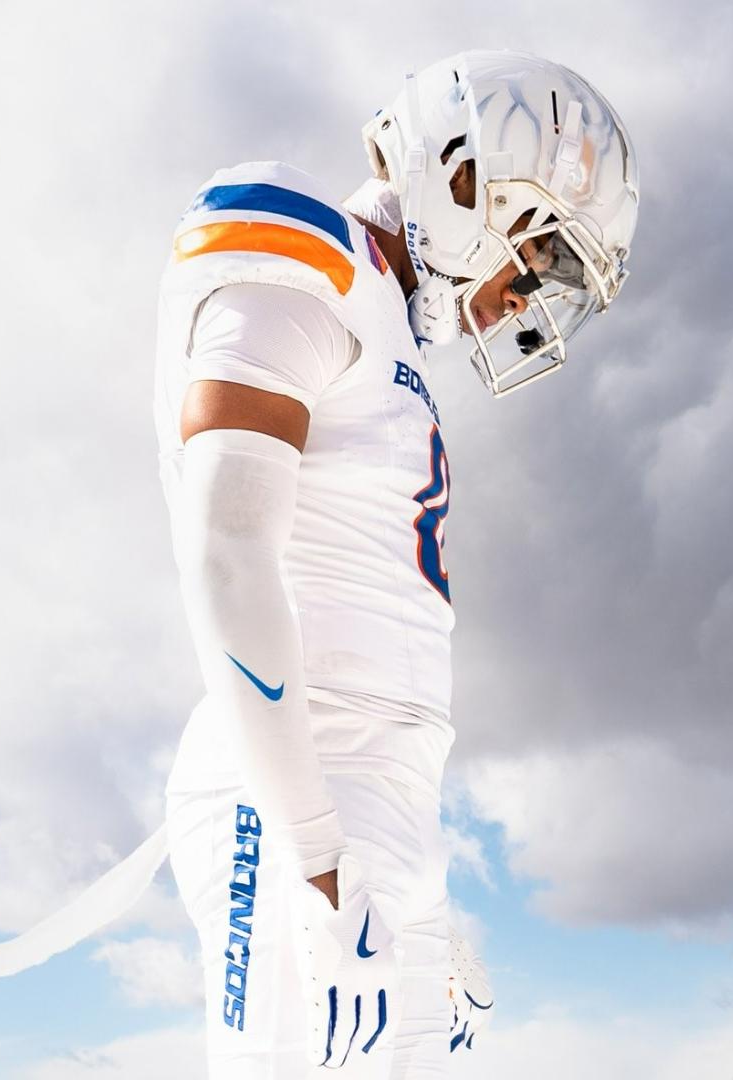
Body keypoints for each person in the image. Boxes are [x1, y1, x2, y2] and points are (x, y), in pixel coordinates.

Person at [156, 49, 640, 1077]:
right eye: (538, 257)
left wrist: (415, 876)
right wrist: (319, 861)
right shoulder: (311, 265)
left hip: (377, 797)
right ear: (467, 179)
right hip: (295, 789)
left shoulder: (390, 332)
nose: (521, 301)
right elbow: (228, 553)